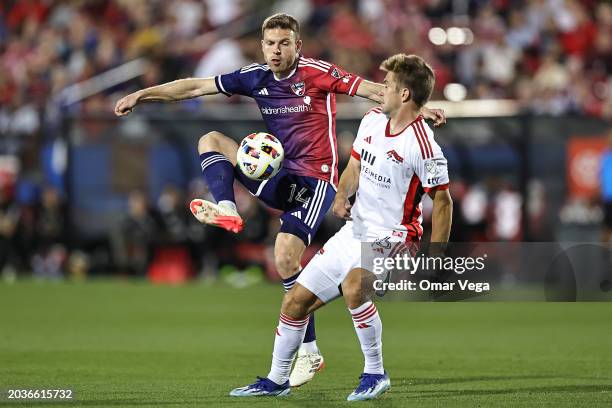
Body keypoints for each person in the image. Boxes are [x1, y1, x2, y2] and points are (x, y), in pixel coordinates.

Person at [114, 13, 446, 386]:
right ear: (262, 46)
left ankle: (309, 351)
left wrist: (416, 107)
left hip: (316, 179)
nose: (276, 50)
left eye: (284, 43)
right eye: (270, 43)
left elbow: (370, 89)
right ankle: (227, 207)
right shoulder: (255, 77)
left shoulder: (316, 72)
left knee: (285, 255)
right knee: (210, 140)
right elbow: (194, 87)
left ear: (297, 45)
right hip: (279, 173)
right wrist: (142, 94)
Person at [228, 53, 453, 400]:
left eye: (389, 85)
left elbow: (442, 202)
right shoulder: (372, 121)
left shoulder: (423, 145)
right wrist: (341, 195)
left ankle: (375, 373)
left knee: (353, 286)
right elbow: (355, 166)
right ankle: (275, 381)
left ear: (405, 94)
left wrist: (437, 255)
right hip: (354, 231)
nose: (382, 90)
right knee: (294, 302)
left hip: (395, 236)